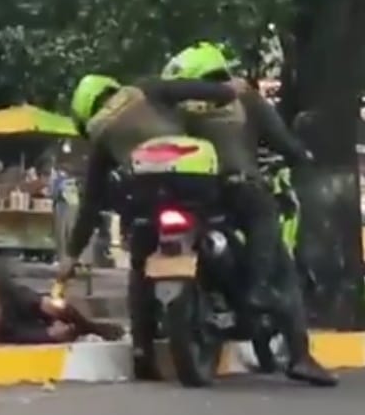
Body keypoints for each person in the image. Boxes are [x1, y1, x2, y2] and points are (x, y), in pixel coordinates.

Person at [161, 41, 336, 387]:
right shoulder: (245, 99)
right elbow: (283, 143)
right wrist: (301, 156)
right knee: (277, 252)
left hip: (183, 197)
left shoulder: (173, 108)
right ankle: (296, 350)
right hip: (238, 190)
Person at [54, 74, 241, 376]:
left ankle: (142, 349)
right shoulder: (145, 88)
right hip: (193, 183)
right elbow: (199, 89)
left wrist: (71, 256)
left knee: (141, 264)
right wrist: (227, 90)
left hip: (146, 198)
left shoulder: (101, 132)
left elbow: (91, 203)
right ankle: (232, 290)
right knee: (223, 221)